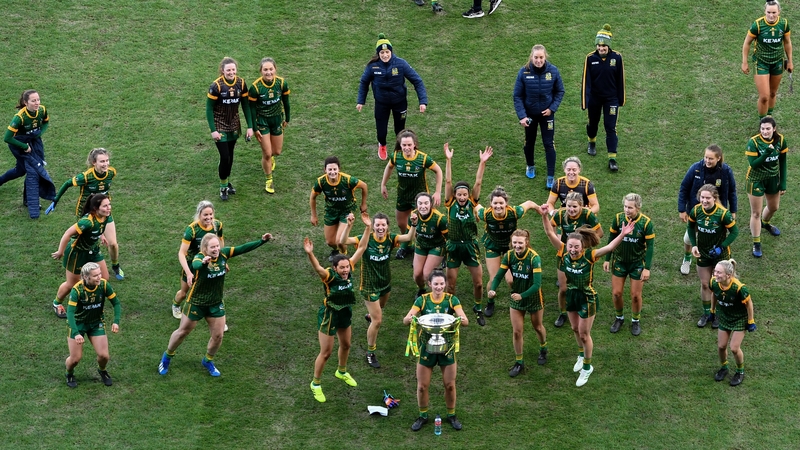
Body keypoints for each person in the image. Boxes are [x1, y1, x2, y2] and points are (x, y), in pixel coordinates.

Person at [539, 203, 635, 387]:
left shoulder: (590, 255)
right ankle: (581, 355)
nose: (573, 249)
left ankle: (587, 367)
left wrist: (622, 235)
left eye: (576, 247)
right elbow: (550, 233)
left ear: (582, 246)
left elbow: (608, 248)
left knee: (584, 333)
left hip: (587, 298)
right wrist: (544, 216)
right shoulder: (563, 253)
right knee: (575, 329)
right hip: (572, 297)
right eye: (570, 246)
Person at [158, 232, 272, 377]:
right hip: (196, 303)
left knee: (218, 336)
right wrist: (204, 262)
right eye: (212, 247)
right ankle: (167, 356)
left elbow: (242, 248)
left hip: (215, 303)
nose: (216, 249)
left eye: (217, 246)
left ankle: (208, 360)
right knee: (183, 332)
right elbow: (196, 264)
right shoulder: (199, 257)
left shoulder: (223, 255)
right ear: (205, 248)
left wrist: (262, 241)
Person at [305, 216, 370, 403]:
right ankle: (315, 383)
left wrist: (368, 228)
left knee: (347, 345)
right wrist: (310, 253)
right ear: (334, 268)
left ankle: (341, 371)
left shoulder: (350, 266)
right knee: (326, 352)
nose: (346, 270)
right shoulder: (329, 276)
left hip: (345, 312)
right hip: (330, 315)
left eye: (347, 267)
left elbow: (362, 248)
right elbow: (317, 268)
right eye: (342, 268)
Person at [340, 212, 415, 369]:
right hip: (369, 285)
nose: (380, 227)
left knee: (380, 308)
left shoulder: (391, 238)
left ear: (387, 227)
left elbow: (408, 238)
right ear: (373, 227)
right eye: (378, 225)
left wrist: (413, 224)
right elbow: (343, 241)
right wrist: (349, 225)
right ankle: (370, 352)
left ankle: (370, 315)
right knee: (378, 320)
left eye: (383, 225)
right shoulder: (365, 238)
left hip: (385, 282)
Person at [403, 269, 469, 431]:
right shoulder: (422, 301)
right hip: (426, 348)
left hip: (447, 348)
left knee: (450, 385)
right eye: (436, 284)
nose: (439, 287)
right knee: (422, 386)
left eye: (441, 284)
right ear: (429, 284)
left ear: (445, 284)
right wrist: (410, 318)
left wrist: (459, 319)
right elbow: (406, 320)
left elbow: (465, 320)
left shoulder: (452, 300)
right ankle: (423, 416)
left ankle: (452, 415)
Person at [48, 148, 124, 280]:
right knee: (84, 241)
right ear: (94, 162)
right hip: (86, 214)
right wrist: (55, 200)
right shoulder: (85, 177)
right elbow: (67, 183)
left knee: (112, 243)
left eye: (107, 160)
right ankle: (73, 261)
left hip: (104, 211)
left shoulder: (111, 173)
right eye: (102, 161)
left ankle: (115, 266)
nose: (105, 164)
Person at [487, 229, 547, 377]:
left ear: (526, 242)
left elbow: (537, 285)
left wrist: (522, 295)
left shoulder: (534, 258)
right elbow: (498, 276)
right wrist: (492, 290)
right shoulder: (509, 256)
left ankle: (543, 348)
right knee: (517, 331)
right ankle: (519, 362)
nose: (517, 246)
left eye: (520, 242)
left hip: (533, 298)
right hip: (516, 299)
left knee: (537, 327)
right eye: (515, 242)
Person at [358, 35, 428, 161]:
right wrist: (360, 101)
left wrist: (422, 101)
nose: (385, 55)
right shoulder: (372, 67)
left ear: (391, 51)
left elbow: (417, 81)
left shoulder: (401, 64)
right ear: (378, 53)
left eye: (387, 52)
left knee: (400, 129)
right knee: (381, 130)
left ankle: (399, 148)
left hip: (399, 103)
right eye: (382, 52)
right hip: (381, 103)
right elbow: (364, 82)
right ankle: (382, 144)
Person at [444, 143, 491, 326]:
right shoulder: (449, 204)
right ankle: (450, 310)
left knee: (478, 283)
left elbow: (478, 182)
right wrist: (448, 160)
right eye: (459, 195)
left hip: (470, 246)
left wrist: (482, 163)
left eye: (464, 194)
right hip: (453, 246)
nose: (462, 197)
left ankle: (477, 308)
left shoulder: (473, 202)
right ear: (454, 195)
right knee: (451, 285)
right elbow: (448, 182)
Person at [475, 187, 539, 319]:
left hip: (511, 247)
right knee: (493, 279)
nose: (498, 206)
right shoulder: (486, 214)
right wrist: (476, 216)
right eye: (495, 203)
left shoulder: (514, 212)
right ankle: (490, 302)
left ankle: (518, 298)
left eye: (501, 203)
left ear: (506, 204)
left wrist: (541, 211)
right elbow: (476, 205)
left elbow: (530, 203)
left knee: (511, 280)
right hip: (493, 245)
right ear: (491, 205)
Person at [380, 129, 442, 259]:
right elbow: (389, 167)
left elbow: (438, 171)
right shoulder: (396, 156)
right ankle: (408, 244)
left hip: (420, 199)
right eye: (404, 145)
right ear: (400, 145)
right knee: (401, 224)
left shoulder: (423, 158)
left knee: (415, 223)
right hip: (402, 195)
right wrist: (383, 184)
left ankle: (410, 248)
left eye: (409, 145)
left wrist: (437, 192)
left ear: (414, 144)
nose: (407, 148)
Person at [678, 145, 737, 275]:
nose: (707, 161)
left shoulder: (726, 171)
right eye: (706, 157)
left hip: (718, 212)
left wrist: (733, 210)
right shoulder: (696, 169)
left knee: (717, 235)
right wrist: (682, 209)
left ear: (718, 158)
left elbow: (732, 191)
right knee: (688, 238)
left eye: (711, 158)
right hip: (697, 212)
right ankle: (687, 258)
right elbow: (684, 188)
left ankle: (718, 261)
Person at [51, 194, 112, 319]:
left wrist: (101, 236)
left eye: (109, 205)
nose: (109, 208)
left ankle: (87, 298)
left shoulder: (105, 216)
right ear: (96, 208)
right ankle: (57, 303)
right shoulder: (86, 222)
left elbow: (99, 227)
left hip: (92, 250)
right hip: (77, 253)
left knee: (104, 277)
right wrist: (60, 251)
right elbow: (67, 234)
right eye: (105, 206)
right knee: (71, 284)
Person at [687, 184, 739, 328]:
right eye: (702, 197)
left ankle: (717, 312)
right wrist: (694, 245)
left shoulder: (723, 214)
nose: (704, 200)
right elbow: (690, 227)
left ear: (714, 198)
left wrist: (721, 246)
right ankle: (707, 313)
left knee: (719, 284)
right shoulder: (696, 211)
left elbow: (734, 232)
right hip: (703, 253)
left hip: (720, 255)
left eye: (707, 198)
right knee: (705, 284)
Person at [513, 44, 565, 187]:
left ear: (545, 57)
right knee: (529, 142)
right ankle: (530, 165)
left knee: (549, 144)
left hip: (547, 115)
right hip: (530, 115)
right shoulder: (523, 72)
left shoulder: (553, 71)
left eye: (541, 57)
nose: (538, 60)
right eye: (536, 57)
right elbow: (517, 96)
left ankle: (550, 176)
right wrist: (522, 116)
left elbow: (560, 91)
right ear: (531, 57)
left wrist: (552, 109)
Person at [603, 193, 654, 336]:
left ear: (638, 208)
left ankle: (635, 320)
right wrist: (607, 259)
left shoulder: (646, 223)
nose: (626, 210)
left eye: (630, 207)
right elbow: (611, 238)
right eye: (625, 206)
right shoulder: (618, 219)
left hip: (637, 264)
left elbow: (650, 247)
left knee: (636, 295)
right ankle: (619, 318)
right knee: (616, 293)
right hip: (619, 261)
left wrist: (647, 268)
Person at [64, 262, 120, 388]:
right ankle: (69, 373)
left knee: (104, 355)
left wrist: (116, 321)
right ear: (86, 277)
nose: (99, 277)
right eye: (95, 276)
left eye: (100, 274)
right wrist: (76, 333)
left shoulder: (104, 285)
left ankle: (102, 370)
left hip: (96, 323)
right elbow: (70, 313)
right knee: (75, 359)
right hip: (78, 324)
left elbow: (116, 303)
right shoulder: (77, 290)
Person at [550, 192, 602, 328]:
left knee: (580, 285)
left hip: (581, 255)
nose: (571, 210)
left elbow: (600, 233)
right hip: (564, 255)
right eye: (569, 206)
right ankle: (562, 313)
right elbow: (552, 226)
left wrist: (582, 246)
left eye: (574, 207)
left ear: (581, 206)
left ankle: (583, 308)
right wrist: (558, 239)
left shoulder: (588, 215)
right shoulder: (560, 214)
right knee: (563, 288)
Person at [2, 89, 56, 218]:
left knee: (20, 171)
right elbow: (7, 138)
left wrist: (38, 134)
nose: (37, 103)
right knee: (32, 169)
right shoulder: (19, 117)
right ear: (26, 103)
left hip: (33, 143)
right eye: (33, 101)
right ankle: (28, 201)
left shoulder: (42, 110)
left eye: (38, 100)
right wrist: (24, 146)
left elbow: (46, 122)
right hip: (18, 145)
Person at [206, 57, 252, 200]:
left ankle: (226, 182)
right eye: (228, 70)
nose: (231, 72)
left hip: (234, 124)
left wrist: (250, 126)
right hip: (220, 124)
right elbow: (209, 109)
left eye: (233, 69)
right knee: (224, 156)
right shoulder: (216, 86)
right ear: (222, 71)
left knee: (230, 156)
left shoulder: (241, 83)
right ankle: (222, 187)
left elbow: (245, 105)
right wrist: (213, 130)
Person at [581, 24, 626, 172]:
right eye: (599, 46)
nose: (601, 48)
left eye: (604, 46)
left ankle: (612, 158)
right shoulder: (590, 58)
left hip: (611, 99)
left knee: (610, 127)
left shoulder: (617, 58)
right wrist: (584, 101)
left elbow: (621, 80)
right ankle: (591, 141)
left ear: (609, 46)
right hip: (595, 98)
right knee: (593, 123)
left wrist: (621, 99)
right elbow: (585, 81)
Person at [173, 201, 223, 320]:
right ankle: (176, 305)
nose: (209, 217)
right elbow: (181, 253)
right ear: (199, 214)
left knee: (211, 290)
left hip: (209, 264)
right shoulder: (192, 229)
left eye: (210, 214)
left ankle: (217, 317)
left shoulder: (218, 225)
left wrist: (222, 261)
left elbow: (220, 242)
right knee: (184, 293)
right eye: (205, 215)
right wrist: (189, 273)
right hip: (192, 265)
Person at [742, 0, 793, 118]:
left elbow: (787, 43)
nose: (771, 15)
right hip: (761, 62)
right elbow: (747, 43)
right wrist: (744, 62)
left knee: (773, 93)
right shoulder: (758, 25)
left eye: (774, 12)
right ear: (765, 11)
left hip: (777, 62)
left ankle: (769, 117)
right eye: (768, 12)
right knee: (764, 96)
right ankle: (762, 121)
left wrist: (790, 61)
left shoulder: (784, 24)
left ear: (779, 12)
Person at [310, 156, 368, 260]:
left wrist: (364, 204)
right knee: (330, 242)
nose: (332, 172)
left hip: (346, 211)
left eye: (334, 169)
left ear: (339, 169)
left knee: (340, 241)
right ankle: (338, 250)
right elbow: (313, 197)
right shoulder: (321, 182)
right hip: (331, 212)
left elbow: (364, 186)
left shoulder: (348, 180)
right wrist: (313, 215)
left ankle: (343, 255)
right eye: (330, 169)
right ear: (325, 170)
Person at [745, 116, 787, 258]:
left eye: (768, 128)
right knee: (756, 212)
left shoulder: (780, 140)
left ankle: (765, 223)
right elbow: (754, 164)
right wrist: (767, 153)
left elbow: (783, 161)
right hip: (756, 180)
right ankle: (756, 243)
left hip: (772, 178)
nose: (765, 131)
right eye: (762, 129)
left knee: (774, 207)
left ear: (774, 129)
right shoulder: (754, 142)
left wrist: (783, 182)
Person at [710, 259, 756, 387]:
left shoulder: (739, 288)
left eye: (719, 272)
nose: (715, 275)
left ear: (728, 275)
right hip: (724, 316)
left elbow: (749, 303)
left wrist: (751, 321)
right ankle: (724, 367)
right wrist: (712, 311)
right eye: (715, 271)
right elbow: (714, 294)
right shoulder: (714, 282)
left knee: (734, 348)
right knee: (721, 346)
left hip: (739, 319)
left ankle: (740, 372)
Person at [248, 57, 290, 194]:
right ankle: (269, 180)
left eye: (271, 69)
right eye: (265, 69)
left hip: (277, 120)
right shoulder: (255, 88)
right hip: (262, 122)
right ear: (261, 71)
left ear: (275, 69)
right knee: (266, 153)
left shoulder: (282, 83)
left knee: (276, 151)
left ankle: (271, 157)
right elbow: (252, 110)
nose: (268, 72)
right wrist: (254, 128)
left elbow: (286, 102)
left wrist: (287, 118)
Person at [410, 192, 448, 298]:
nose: (423, 206)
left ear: (431, 204)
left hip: (437, 246)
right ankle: (422, 290)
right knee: (417, 275)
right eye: (420, 203)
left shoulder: (440, 218)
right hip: (421, 245)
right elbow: (411, 236)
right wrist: (413, 224)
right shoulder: (414, 215)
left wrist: (448, 253)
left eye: (426, 203)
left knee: (426, 274)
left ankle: (435, 295)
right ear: (416, 205)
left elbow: (448, 238)